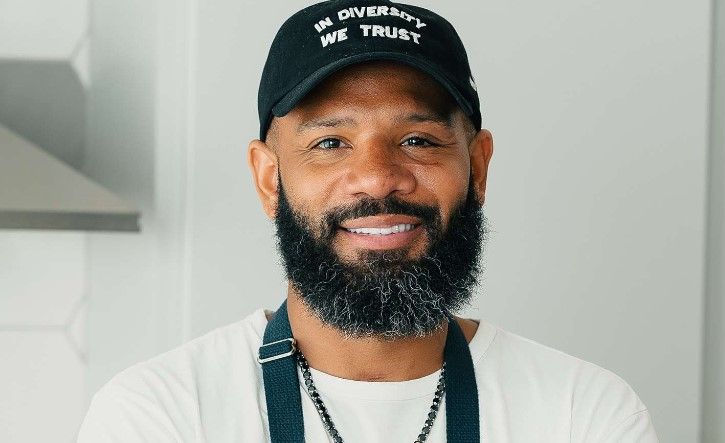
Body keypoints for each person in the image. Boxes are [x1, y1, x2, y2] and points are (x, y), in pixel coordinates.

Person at [77, 1, 659, 441]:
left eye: (418, 139)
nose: (378, 178)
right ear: (269, 178)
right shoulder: (163, 415)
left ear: (478, 167)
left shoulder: (580, 414)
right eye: (330, 142)